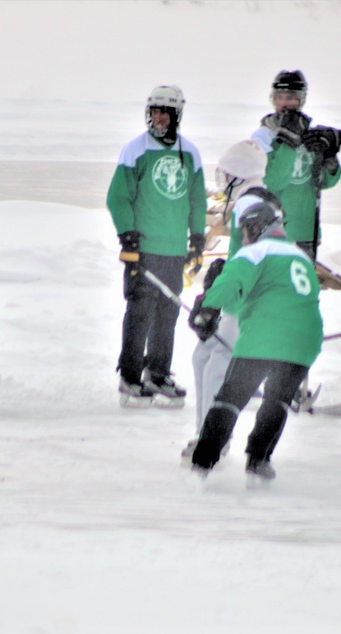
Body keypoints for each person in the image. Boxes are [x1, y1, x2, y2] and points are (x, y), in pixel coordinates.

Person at [187, 200, 322, 483]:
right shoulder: (300, 256)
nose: (244, 239)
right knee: (277, 400)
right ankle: (258, 461)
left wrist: (207, 308)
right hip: (304, 341)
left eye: (245, 232)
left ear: (256, 228)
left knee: (230, 400)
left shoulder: (257, 251)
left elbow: (231, 281)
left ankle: (202, 463)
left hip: (264, 338)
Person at [107, 84, 208, 408]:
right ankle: (131, 377)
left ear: (177, 115)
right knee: (140, 312)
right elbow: (117, 198)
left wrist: (196, 237)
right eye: (154, 111)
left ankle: (158, 373)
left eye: (165, 112)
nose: (159, 118)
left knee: (168, 313)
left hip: (174, 249)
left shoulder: (190, 152)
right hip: (144, 249)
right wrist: (128, 235)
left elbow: (196, 199)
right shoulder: (135, 150)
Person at [184, 140, 283, 456]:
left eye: (225, 173)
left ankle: (215, 438)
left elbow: (255, 259)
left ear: (239, 174)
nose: (221, 179)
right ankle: (205, 432)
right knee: (203, 356)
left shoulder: (248, 203)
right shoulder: (252, 198)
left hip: (250, 301)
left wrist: (217, 302)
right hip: (241, 296)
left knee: (217, 364)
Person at [250, 70, 341, 260]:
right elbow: (274, 181)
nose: (285, 103)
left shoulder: (309, 135)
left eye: (292, 97)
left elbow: (324, 182)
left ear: (302, 100)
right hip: (273, 230)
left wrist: (330, 158)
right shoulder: (262, 136)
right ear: (273, 99)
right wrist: (288, 142)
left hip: (307, 231)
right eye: (280, 97)